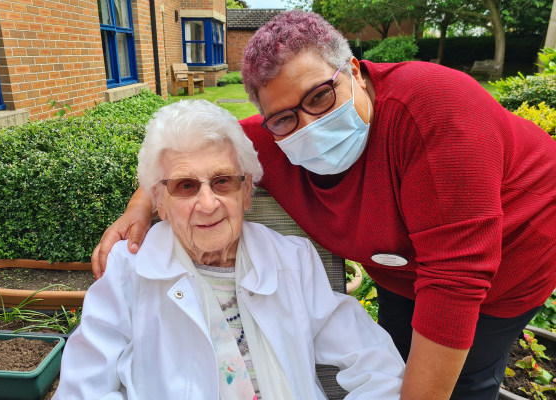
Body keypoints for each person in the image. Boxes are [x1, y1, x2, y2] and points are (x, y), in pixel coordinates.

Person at [91, 11, 556, 400]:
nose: (308, 124)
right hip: (401, 264)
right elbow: (189, 149)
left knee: (464, 379)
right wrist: (141, 204)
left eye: (320, 96)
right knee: (399, 353)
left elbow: (455, 280)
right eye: (285, 117)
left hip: (509, 255)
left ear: (354, 70)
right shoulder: (272, 137)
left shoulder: (434, 109)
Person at [54, 100, 405, 400]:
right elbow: (83, 389)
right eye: (185, 186)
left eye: (222, 181)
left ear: (246, 192)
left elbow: (375, 362)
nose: (207, 204)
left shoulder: (292, 259)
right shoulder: (128, 270)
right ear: (159, 201)